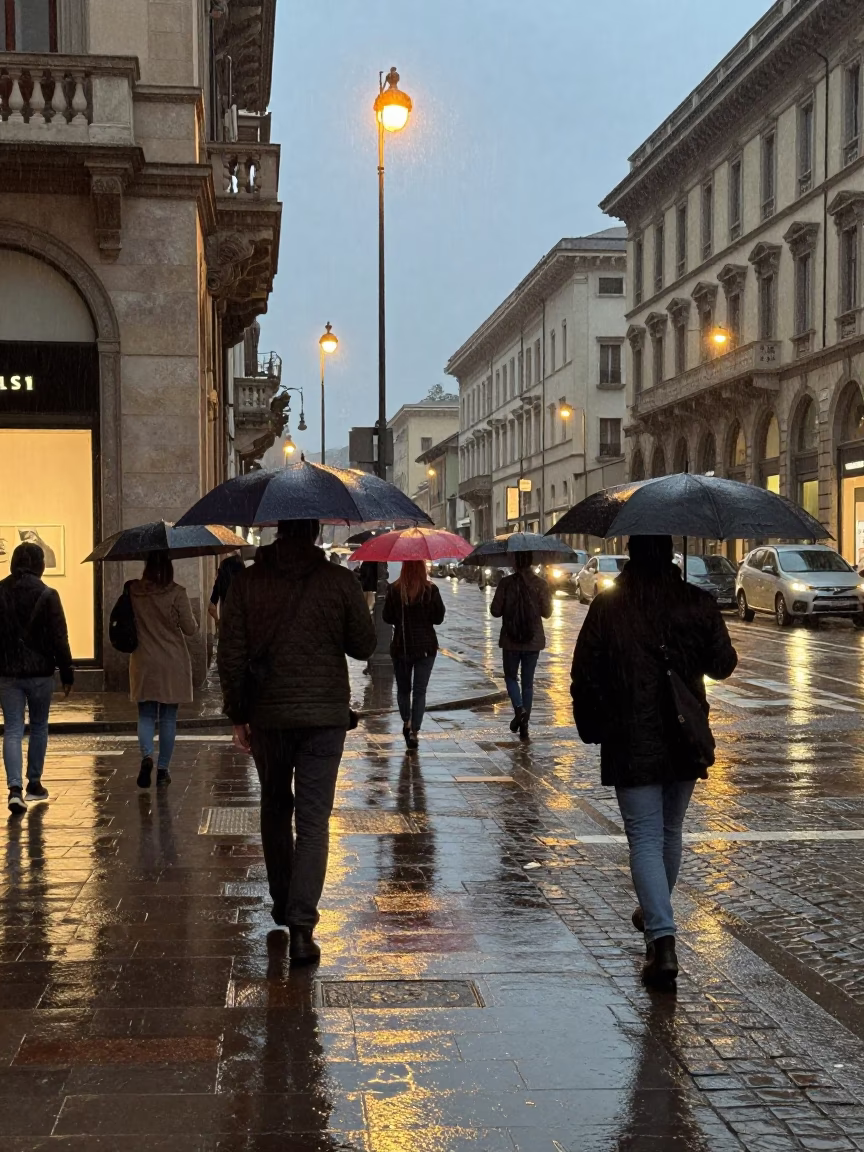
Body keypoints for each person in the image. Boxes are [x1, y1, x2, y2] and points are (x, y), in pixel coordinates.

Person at [570, 535, 737, 989]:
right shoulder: (696, 601)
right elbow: (723, 666)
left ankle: (661, 940)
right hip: (684, 733)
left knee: (645, 837)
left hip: (631, 733)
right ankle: (655, 913)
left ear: (631, 552)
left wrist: (594, 723)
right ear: (670, 554)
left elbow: (583, 671)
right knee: (668, 831)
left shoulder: (609, 605)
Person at [218, 518, 377, 963]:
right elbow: (364, 646)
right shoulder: (339, 581)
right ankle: (303, 927)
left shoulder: (247, 584)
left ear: (277, 531)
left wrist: (238, 715)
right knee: (312, 821)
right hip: (324, 716)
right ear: (314, 531)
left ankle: (282, 900)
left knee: (274, 806)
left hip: (268, 714)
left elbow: (229, 654)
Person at [0, 542, 73, 813]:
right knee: (39, 726)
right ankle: (34, 783)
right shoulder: (48, 594)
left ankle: (14, 789)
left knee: (13, 729)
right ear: (40, 564)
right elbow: (59, 638)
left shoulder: (0, 591)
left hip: (7, 672)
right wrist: (67, 673)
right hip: (41, 674)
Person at [128, 552, 198, 789]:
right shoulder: (177, 593)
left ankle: (147, 756)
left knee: (146, 714)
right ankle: (162, 770)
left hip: (143, 660)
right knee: (168, 718)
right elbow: (190, 629)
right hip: (172, 661)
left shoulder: (134, 591)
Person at [382, 560, 445, 749]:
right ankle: (415, 731)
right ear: (422, 569)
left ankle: (407, 721)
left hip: (402, 646)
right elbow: (439, 618)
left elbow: (387, 617)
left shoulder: (394, 590)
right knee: (420, 691)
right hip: (426, 647)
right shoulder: (430, 590)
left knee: (403, 689)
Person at [490, 553, 552, 740]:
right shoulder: (540, 584)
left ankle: (519, 709)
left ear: (515, 562)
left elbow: (495, 611)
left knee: (510, 677)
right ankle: (524, 725)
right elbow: (547, 613)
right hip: (533, 640)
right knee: (528, 683)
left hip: (511, 640)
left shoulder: (506, 583)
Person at [208, 551, 246, 624]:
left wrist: (217, 621)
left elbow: (211, 608)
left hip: (227, 626)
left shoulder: (220, 582)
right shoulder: (246, 583)